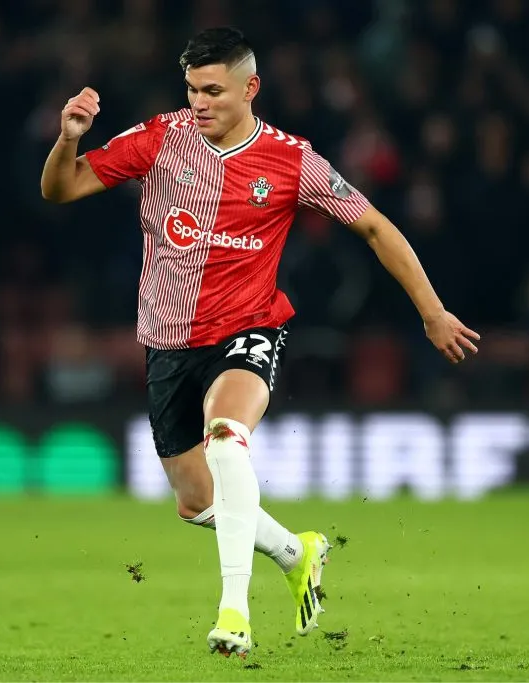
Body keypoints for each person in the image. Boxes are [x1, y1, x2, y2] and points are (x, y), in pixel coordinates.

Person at [41, 27, 479, 657]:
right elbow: (61, 189)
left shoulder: (291, 160)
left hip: (248, 330)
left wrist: (433, 313)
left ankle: (234, 612)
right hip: (166, 342)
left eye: (213, 90)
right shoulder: (159, 139)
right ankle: (295, 552)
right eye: (192, 89)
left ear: (250, 88)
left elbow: (377, 229)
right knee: (195, 504)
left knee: (227, 439)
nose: (199, 102)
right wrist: (68, 139)